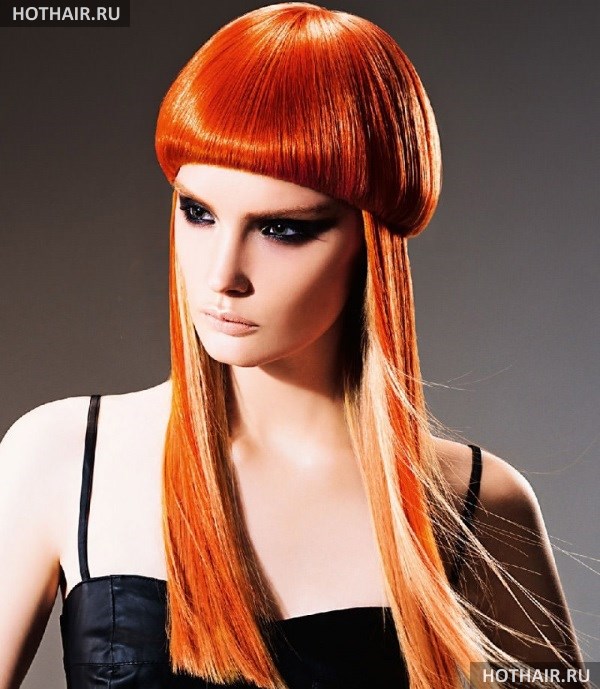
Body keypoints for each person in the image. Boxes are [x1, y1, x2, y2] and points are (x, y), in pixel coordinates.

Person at [0, 3, 588, 689]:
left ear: (370, 245)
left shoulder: (480, 507)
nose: (221, 274)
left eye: (282, 229)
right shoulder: (64, 457)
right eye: (197, 212)